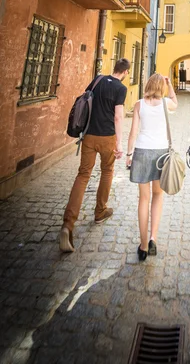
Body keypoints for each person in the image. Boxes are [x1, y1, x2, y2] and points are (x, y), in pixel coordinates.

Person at [59, 58, 130, 253]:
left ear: (114, 68)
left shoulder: (97, 80)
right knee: (107, 172)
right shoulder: (120, 89)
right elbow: (118, 116)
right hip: (107, 137)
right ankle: (100, 211)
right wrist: (119, 143)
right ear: (125, 72)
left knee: (83, 176)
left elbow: (86, 98)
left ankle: (68, 224)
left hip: (89, 135)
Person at [126, 73, 178, 261]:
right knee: (157, 195)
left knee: (143, 199)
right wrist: (170, 84)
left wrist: (129, 154)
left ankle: (143, 245)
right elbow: (175, 101)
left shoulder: (139, 104)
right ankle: (153, 237)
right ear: (161, 87)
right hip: (161, 153)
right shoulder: (166, 103)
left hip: (141, 152)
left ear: (148, 85)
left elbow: (133, 133)